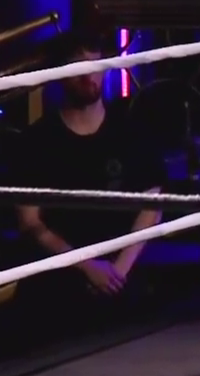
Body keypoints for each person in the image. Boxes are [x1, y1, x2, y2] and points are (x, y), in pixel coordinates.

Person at [9, 28, 168, 310]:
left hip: (124, 284)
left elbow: (152, 205)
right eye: (78, 68)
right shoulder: (36, 141)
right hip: (57, 289)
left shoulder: (130, 132)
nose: (88, 77)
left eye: (95, 65)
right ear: (60, 73)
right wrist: (87, 267)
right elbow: (30, 223)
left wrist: (118, 271)